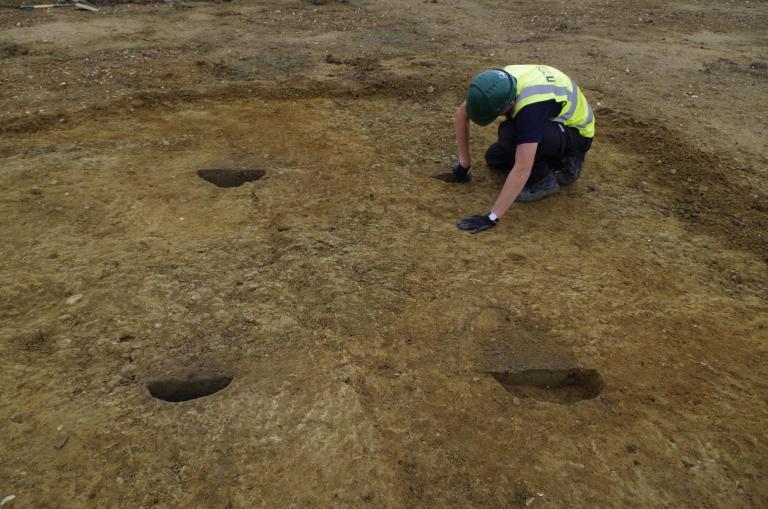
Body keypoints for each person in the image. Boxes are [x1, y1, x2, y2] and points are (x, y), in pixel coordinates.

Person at [450, 65, 595, 234]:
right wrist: (463, 165)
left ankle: (547, 178)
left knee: (510, 133)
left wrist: (491, 217)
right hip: (551, 120)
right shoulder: (497, 84)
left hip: (577, 134)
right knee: (494, 158)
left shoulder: (531, 108)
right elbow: (462, 113)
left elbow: (522, 167)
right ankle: (550, 161)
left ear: (510, 103)